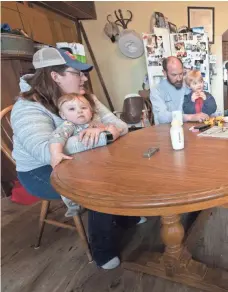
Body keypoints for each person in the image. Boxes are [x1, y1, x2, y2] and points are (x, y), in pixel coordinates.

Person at [11, 47, 146, 270]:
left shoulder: (86, 98)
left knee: (126, 165)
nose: (84, 78)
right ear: (55, 76)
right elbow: (47, 151)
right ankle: (102, 250)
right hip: (41, 170)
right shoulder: (27, 107)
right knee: (100, 182)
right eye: (78, 73)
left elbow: (121, 125)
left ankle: (124, 217)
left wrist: (107, 130)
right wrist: (105, 134)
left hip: (85, 158)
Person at [48, 93, 120, 217]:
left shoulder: (95, 123)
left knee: (115, 177)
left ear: (91, 112)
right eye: (72, 109)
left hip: (100, 162)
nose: (79, 111)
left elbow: (114, 130)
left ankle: (122, 213)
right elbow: (56, 138)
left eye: (84, 108)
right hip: (79, 165)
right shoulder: (69, 126)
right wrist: (56, 153)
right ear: (63, 115)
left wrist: (100, 130)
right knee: (69, 182)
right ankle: (73, 205)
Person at [150, 56, 209, 124]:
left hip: (189, 128)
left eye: (181, 74)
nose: (179, 78)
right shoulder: (157, 90)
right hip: (167, 131)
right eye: (174, 75)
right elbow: (162, 117)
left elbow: (200, 103)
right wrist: (190, 117)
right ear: (165, 73)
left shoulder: (187, 84)